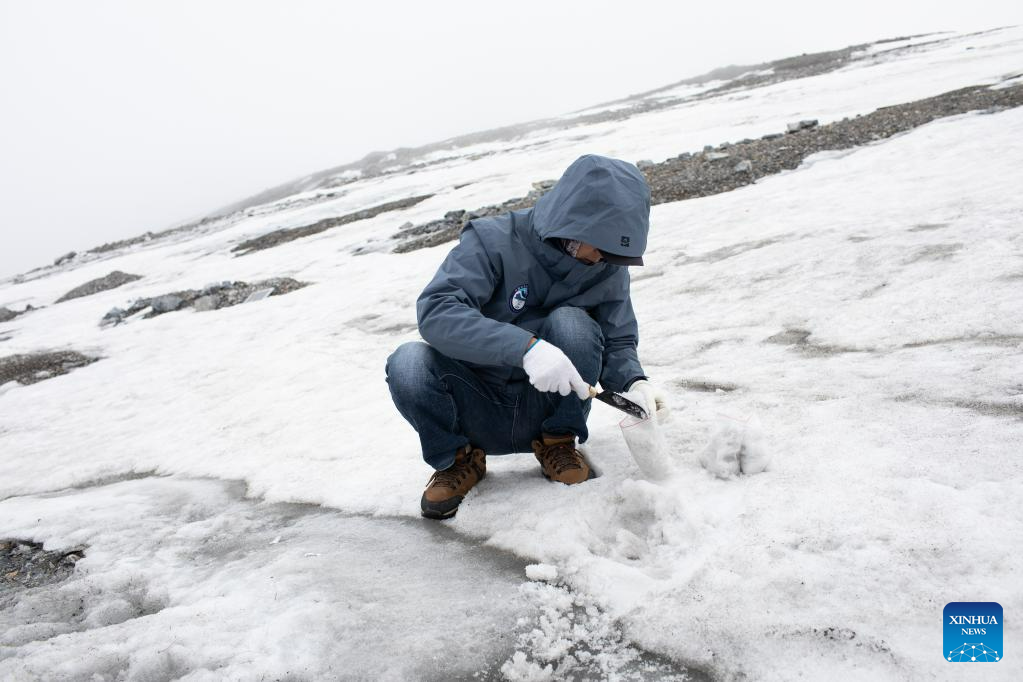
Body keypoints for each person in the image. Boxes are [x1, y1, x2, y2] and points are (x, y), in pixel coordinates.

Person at [385, 154, 670, 519]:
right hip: (477, 403)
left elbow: (617, 339)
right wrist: (525, 349)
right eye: (600, 245)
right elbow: (438, 311)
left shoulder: (607, 264)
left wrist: (633, 382)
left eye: (614, 251)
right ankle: (458, 461)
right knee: (407, 362)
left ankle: (558, 444)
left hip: (548, 408)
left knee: (572, 323)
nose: (604, 258)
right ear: (573, 223)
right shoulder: (492, 241)